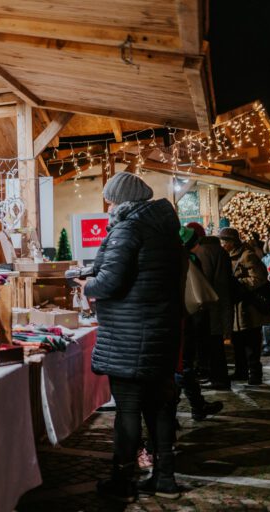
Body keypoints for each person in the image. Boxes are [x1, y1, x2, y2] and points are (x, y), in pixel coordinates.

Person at [80, 172, 183, 502]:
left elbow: (110, 281)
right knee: (160, 407)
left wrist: (86, 287)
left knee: (128, 410)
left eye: (110, 198)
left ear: (122, 199)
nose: (108, 204)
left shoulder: (128, 228)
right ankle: (165, 476)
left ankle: (122, 481)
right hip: (160, 332)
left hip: (128, 336)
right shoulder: (164, 228)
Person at [178, 226, 224, 419]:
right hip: (187, 317)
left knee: (181, 365)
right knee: (184, 365)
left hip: (175, 318)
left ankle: (195, 406)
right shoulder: (189, 259)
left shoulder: (167, 259)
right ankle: (195, 407)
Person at [219, 227, 270, 385]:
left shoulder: (247, 255)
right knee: (238, 342)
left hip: (249, 308)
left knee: (252, 342)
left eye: (223, 241)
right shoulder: (226, 257)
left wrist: (238, 283)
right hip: (235, 308)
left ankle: (255, 373)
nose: (222, 244)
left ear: (231, 242)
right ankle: (241, 371)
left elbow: (259, 278)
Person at [187, 222, 234, 390]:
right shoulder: (219, 250)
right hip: (221, 302)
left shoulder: (203, 252)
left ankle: (218, 378)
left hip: (209, 306)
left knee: (212, 344)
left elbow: (202, 280)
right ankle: (218, 377)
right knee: (216, 343)